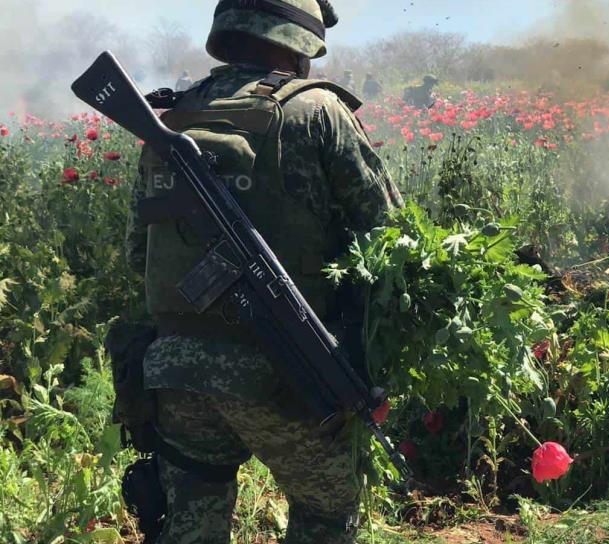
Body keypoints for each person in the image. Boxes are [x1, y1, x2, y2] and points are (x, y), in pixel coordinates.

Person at [125, 0, 403, 542]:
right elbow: (391, 236)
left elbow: (139, 253)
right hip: (287, 374)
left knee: (189, 522)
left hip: (177, 373)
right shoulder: (318, 111)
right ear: (300, 43)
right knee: (326, 514)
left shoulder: (172, 119)